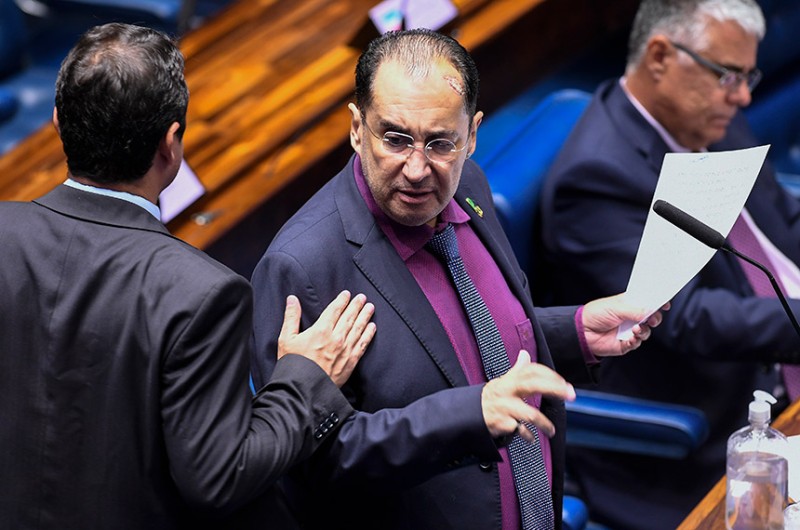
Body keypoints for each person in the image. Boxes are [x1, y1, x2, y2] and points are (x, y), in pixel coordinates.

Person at [250, 28, 665, 530]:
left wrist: (573, 331)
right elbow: (312, 462)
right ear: (357, 128)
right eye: (395, 139)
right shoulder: (303, 267)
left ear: (472, 136)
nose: (417, 169)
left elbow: (464, 339)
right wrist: (470, 417)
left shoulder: (468, 184)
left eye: (440, 142)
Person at [0, 23, 377, 529]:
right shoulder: (201, 293)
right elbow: (219, 479)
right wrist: (306, 378)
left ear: (56, 123)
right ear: (171, 145)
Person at [536, 0, 800, 528]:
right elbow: (687, 317)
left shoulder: (711, 115)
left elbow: (782, 217)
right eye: (729, 75)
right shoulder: (597, 178)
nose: (743, 96)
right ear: (660, 56)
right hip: (714, 424)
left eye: (748, 76)